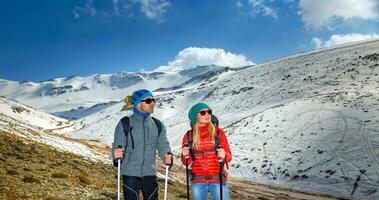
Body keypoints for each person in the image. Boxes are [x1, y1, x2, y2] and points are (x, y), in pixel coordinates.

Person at [112, 89, 173, 200]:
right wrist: (116, 155)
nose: (153, 103)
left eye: (153, 100)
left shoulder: (158, 124)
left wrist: (167, 155)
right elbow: (118, 145)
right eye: (148, 101)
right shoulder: (125, 123)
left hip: (150, 173)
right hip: (130, 174)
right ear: (138, 103)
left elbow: (163, 145)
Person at [181, 102, 232, 200]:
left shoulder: (219, 133)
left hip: (218, 180)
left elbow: (229, 157)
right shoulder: (188, 136)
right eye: (203, 113)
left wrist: (224, 154)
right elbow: (186, 162)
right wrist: (185, 155)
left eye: (209, 112)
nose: (208, 114)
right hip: (197, 181)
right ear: (195, 116)